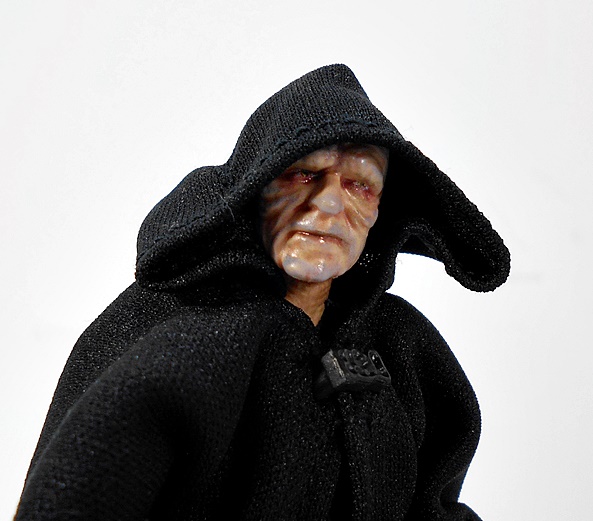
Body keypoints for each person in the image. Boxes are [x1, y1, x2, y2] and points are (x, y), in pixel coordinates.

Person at [15, 64, 510, 520]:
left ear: (381, 211)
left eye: (360, 185)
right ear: (257, 189)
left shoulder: (404, 347)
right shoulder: (163, 331)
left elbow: (434, 507)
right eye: (303, 175)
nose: (329, 203)